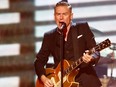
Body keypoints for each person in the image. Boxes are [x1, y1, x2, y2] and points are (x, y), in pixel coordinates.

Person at [34, 1, 102, 87]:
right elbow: (39, 61)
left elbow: (95, 51)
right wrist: (43, 78)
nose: (61, 18)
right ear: (54, 16)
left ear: (71, 16)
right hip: (61, 82)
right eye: (58, 14)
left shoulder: (82, 28)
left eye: (64, 14)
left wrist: (91, 58)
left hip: (85, 79)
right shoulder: (49, 36)